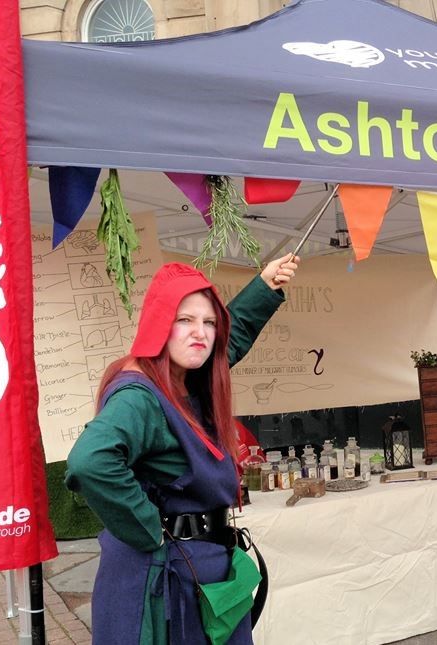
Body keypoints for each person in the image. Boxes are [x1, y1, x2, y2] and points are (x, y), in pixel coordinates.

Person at [65, 253, 300, 645]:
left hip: (200, 575)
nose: (200, 333)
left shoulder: (186, 379)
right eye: (185, 320)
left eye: (209, 322)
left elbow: (230, 338)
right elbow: (91, 462)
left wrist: (265, 285)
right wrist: (147, 528)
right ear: (160, 324)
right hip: (163, 584)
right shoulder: (139, 395)